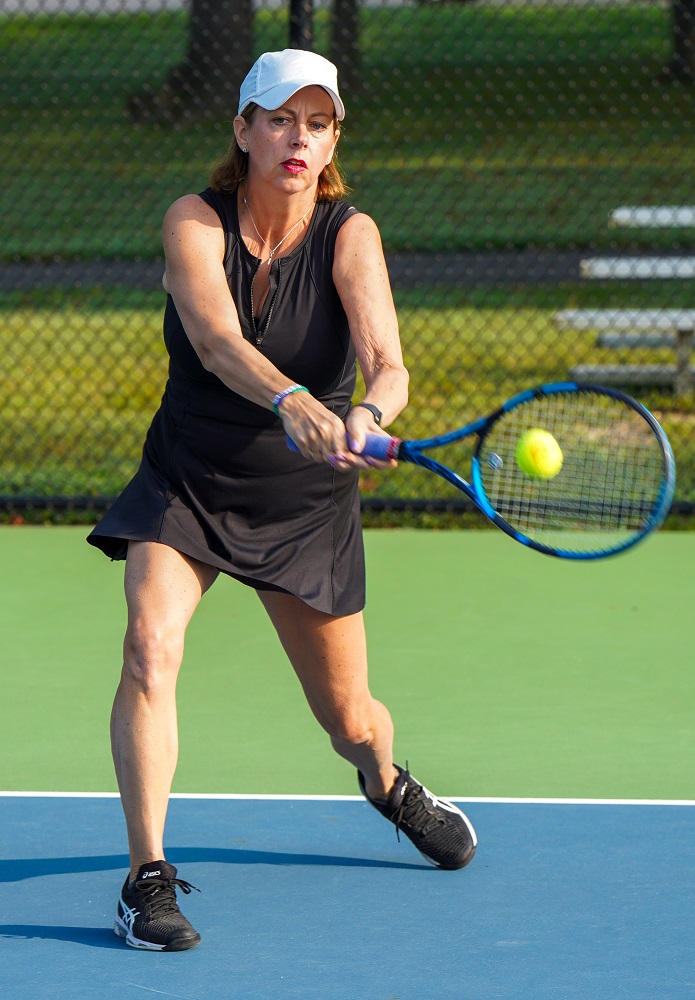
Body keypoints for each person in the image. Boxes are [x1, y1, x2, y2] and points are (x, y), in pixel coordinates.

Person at [88, 48, 477, 953]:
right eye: (277, 118)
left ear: (332, 137)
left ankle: (386, 783)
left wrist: (367, 415)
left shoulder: (351, 233)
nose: (296, 138)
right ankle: (147, 879)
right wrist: (295, 399)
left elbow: (388, 364)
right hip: (190, 479)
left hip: (305, 503)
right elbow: (217, 341)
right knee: (149, 645)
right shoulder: (194, 220)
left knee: (349, 721)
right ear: (242, 130)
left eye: (317, 122)